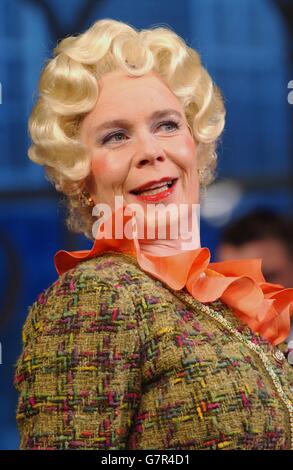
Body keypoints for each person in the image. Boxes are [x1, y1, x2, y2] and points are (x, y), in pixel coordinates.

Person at [14, 18, 293, 450]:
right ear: (80, 176)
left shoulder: (225, 300)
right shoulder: (95, 296)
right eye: (116, 136)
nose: (151, 151)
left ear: (195, 145)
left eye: (166, 125)